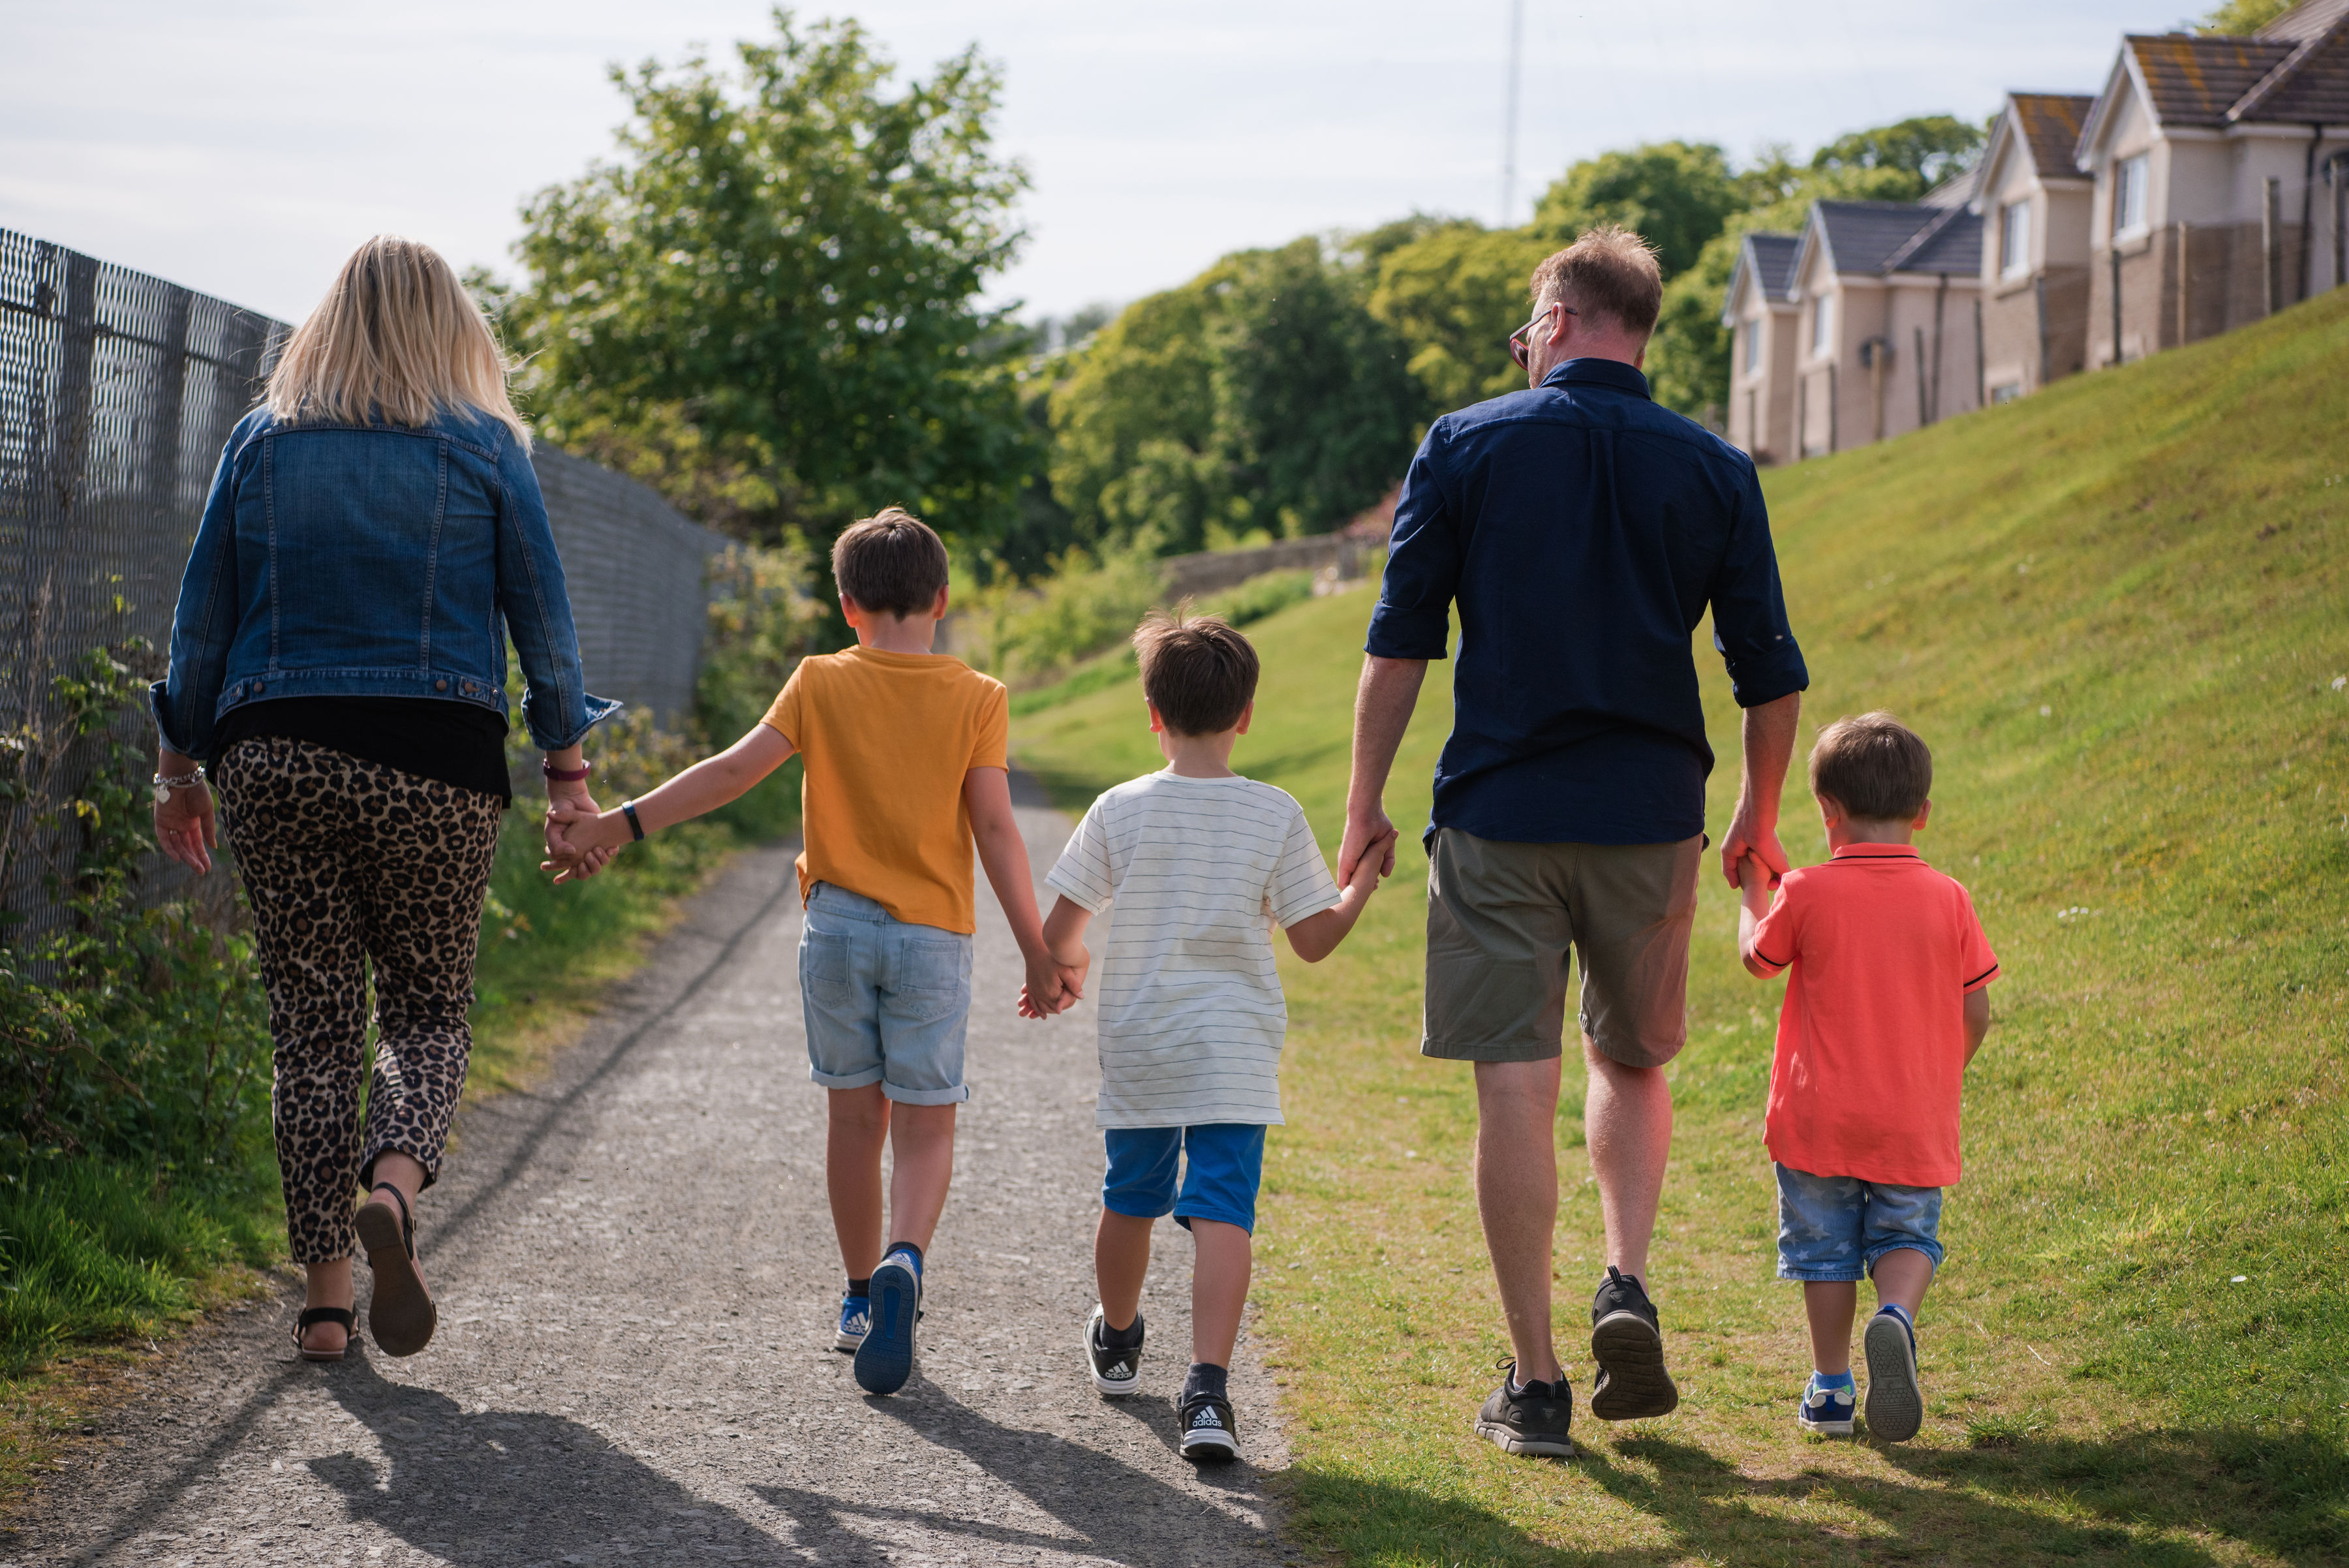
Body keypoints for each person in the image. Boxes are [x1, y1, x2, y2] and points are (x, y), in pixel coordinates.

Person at [1338, 224, 1811, 1458]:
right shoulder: (1714, 466)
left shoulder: (1465, 444)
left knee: (1517, 1079)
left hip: (1498, 814)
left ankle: (1538, 1383)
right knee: (1633, 1063)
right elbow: (1768, 671)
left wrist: (1363, 803)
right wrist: (1761, 814)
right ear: (1638, 329)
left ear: (1553, 319)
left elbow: (1400, 644)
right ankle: (1626, 1278)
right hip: (1650, 815)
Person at [149, 235, 619, 1363]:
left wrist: (177, 765)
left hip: (275, 752)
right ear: (453, 328)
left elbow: (202, 617)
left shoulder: (262, 441)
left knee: (312, 1028)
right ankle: (395, 1192)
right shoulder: (487, 449)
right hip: (438, 760)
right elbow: (543, 628)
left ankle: (322, 1304)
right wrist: (567, 774)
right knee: (426, 1007)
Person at [545, 508, 1074, 1396]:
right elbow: (993, 826)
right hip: (933, 938)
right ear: (941, 599)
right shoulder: (979, 695)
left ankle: (862, 1293)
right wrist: (1036, 947)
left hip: (833, 930)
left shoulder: (819, 679)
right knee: (927, 1120)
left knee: (853, 1118)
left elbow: (730, 771)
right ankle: (907, 1255)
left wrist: (618, 823)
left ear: (846, 604)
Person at [1022, 611, 1392, 1462]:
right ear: (1247, 712)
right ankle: (1210, 1391)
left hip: (1146, 1036)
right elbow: (1313, 937)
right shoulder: (1274, 813)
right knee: (1223, 1209)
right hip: (1233, 1044)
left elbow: (1060, 928)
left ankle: (1118, 1337)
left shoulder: (1120, 809)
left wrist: (1062, 971)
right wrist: (1363, 877)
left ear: (1152, 714)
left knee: (1132, 1195)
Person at [1734, 713, 1997, 1442]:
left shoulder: (1809, 891)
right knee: (1907, 1233)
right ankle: (1896, 1317)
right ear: (1922, 813)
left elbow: (1758, 959)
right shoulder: (1950, 897)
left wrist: (1756, 892)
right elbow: (1977, 1012)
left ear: (1827, 812)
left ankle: (1831, 1388)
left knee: (1824, 1250)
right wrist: (1939, 1076)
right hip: (1912, 1114)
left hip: (1818, 1119)